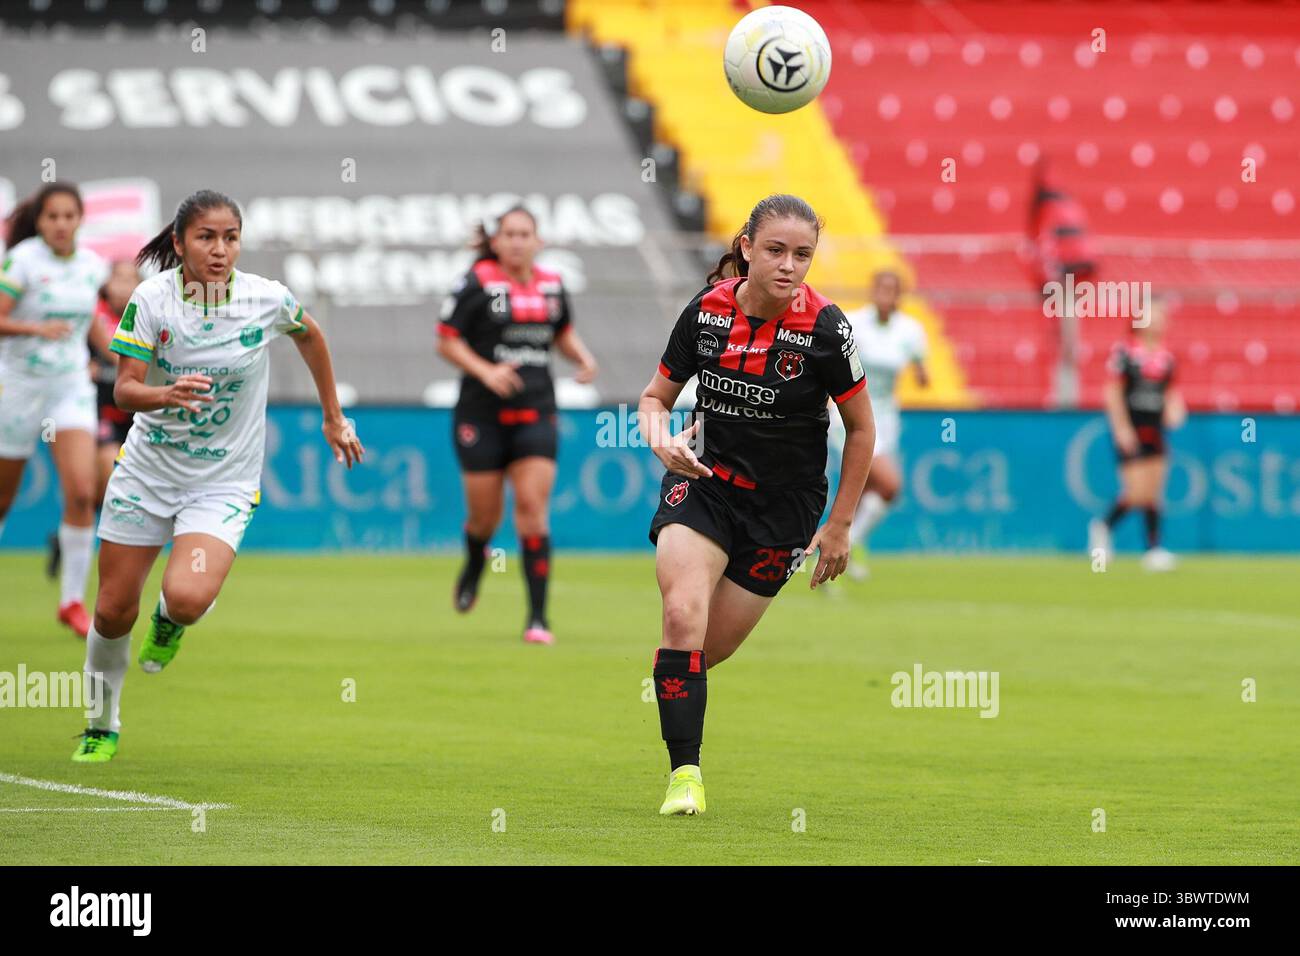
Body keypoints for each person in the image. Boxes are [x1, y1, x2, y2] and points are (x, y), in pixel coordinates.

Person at [72, 189, 364, 762]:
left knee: (185, 596)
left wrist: (333, 416)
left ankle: (169, 622)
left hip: (222, 482)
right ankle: (101, 724)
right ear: (179, 243)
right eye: (206, 237)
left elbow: (311, 336)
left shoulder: (265, 299)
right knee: (111, 610)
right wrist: (166, 394)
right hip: (149, 472)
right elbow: (125, 388)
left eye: (230, 237)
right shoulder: (152, 300)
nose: (220, 249)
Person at [637, 193, 875, 815]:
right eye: (775, 250)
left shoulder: (828, 329)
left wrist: (839, 525)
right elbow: (654, 399)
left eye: (803, 254)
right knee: (682, 614)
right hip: (706, 484)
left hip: (785, 509)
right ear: (745, 247)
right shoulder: (706, 313)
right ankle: (684, 776)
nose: (789, 266)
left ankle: (674, 676)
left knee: (702, 652)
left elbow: (863, 431)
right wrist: (662, 443)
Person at [436, 205, 598, 645]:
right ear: (496, 240)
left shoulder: (551, 284)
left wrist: (581, 357)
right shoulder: (478, 283)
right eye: (509, 234)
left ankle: (538, 618)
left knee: (531, 509)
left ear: (538, 241)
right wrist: (486, 371)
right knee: (484, 518)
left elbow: (559, 331)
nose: (517, 241)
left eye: (525, 234)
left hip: (536, 411)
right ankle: (474, 562)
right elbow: (446, 340)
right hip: (481, 416)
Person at [0, 183, 110, 637]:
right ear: (40, 222)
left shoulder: (91, 265)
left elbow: (93, 326)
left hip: (69, 388)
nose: (61, 224)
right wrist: (35, 328)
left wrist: (127, 357)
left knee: (83, 493)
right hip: (18, 390)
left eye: (69, 216)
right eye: (52, 217)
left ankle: (71, 602)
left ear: (81, 219)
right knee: (3, 500)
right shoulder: (23, 260)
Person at [45, 259, 142, 580]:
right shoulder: (93, 313)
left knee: (104, 494)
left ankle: (66, 536)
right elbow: (98, 357)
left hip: (136, 415)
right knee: (105, 472)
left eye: (131, 279)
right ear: (106, 283)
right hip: (99, 411)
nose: (124, 286)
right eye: (118, 278)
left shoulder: (147, 315)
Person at [840, 268, 928, 579]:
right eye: (881, 288)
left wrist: (921, 372)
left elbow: (920, 369)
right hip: (851, 415)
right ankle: (847, 543)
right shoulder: (853, 322)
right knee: (890, 485)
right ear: (873, 290)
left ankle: (838, 553)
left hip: (887, 417)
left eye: (893, 289)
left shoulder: (910, 330)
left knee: (864, 492)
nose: (886, 295)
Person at [1088, 300, 1183, 571]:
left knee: (1154, 492)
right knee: (1137, 490)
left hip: (1156, 428)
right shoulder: (1125, 353)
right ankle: (1103, 526)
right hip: (1133, 426)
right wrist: (1121, 428)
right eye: (1151, 316)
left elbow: (1170, 392)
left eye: (1160, 316)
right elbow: (1113, 392)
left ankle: (1153, 548)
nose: (1157, 321)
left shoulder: (1166, 358)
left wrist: (1176, 409)